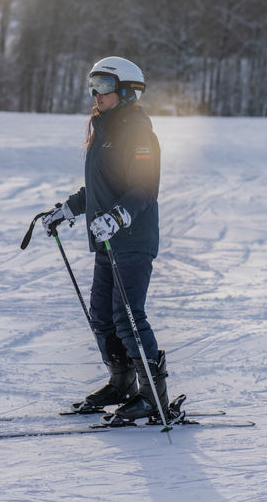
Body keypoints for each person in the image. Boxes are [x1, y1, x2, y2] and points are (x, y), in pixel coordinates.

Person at [41, 56, 171, 422]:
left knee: (128, 316)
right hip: (107, 239)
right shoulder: (105, 130)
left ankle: (152, 394)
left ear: (129, 92)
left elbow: (144, 187)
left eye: (104, 85)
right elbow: (101, 188)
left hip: (131, 236)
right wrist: (68, 210)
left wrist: (118, 216)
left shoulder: (138, 132)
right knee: (102, 316)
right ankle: (122, 382)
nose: (95, 93)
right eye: (93, 84)